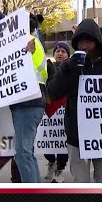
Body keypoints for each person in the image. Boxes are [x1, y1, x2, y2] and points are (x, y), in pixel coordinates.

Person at [47, 19, 102, 182]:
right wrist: (67, 67)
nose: (84, 46)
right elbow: (53, 93)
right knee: (81, 183)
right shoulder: (69, 67)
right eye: (80, 42)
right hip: (77, 137)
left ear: (97, 42)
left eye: (88, 41)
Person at [0, 0, 48, 183]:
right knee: (24, 153)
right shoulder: (31, 42)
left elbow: (4, 27)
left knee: (22, 154)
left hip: (28, 103)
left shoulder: (27, 41)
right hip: (27, 103)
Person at [44, 41, 70, 183]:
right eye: (57, 51)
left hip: (66, 111)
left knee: (62, 143)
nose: (60, 53)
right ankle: (51, 162)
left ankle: (60, 169)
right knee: (46, 142)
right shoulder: (47, 67)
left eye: (63, 51)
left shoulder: (72, 68)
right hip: (49, 111)